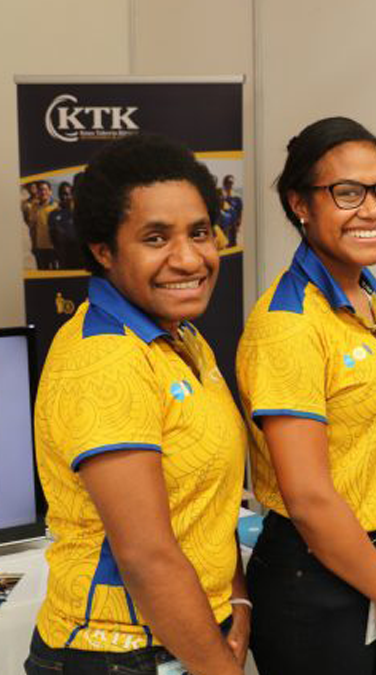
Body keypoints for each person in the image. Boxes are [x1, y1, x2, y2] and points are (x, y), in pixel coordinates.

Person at [28, 134, 249, 674]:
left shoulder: (182, 338)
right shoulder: (105, 360)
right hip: (117, 656)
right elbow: (146, 557)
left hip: (192, 635)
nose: (190, 258)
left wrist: (236, 600)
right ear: (103, 251)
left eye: (200, 232)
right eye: (156, 238)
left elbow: (206, 508)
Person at [236, 117, 376, 674]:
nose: (372, 209)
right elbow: (307, 498)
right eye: (347, 193)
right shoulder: (288, 325)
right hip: (318, 580)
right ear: (300, 204)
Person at [48, 180, 83, 269]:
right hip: (63, 258)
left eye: (67, 194)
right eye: (62, 194)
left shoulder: (80, 213)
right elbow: (53, 238)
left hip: (80, 258)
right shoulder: (53, 214)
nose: (65, 197)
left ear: (72, 195)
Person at [28, 180, 59, 269]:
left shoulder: (56, 206)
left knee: (54, 274)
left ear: (50, 191)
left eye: (45, 189)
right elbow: (32, 228)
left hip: (54, 248)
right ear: (37, 192)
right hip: (40, 248)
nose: (43, 192)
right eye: (40, 190)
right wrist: (33, 245)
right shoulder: (34, 207)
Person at [218, 174, 243, 247]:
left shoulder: (236, 196)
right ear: (224, 183)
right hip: (224, 224)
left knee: (233, 243)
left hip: (233, 224)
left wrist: (238, 223)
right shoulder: (221, 195)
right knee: (224, 243)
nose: (229, 185)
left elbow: (239, 210)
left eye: (231, 183)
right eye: (228, 183)